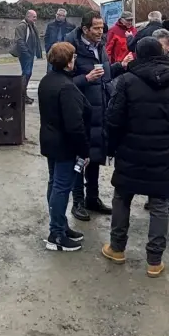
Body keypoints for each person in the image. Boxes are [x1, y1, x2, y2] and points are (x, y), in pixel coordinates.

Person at [100, 37, 169, 277]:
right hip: (163, 154)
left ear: (138, 55)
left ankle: (117, 248)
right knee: (160, 204)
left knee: (122, 197)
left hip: (129, 151)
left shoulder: (127, 81)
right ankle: (154, 260)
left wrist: (111, 148)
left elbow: (113, 119)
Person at [37, 42, 88, 252]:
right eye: (73, 57)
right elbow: (74, 124)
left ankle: (61, 226)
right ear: (68, 62)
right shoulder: (67, 87)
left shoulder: (47, 80)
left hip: (50, 141)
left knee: (54, 183)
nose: (75, 60)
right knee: (61, 187)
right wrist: (84, 151)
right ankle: (56, 233)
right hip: (65, 145)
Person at [68, 12, 112, 220]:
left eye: (102, 27)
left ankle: (92, 198)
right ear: (85, 29)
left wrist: (121, 67)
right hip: (81, 112)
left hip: (99, 111)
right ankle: (77, 202)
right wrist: (86, 78)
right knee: (79, 158)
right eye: (96, 28)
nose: (100, 31)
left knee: (95, 156)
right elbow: (63, 82)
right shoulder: (71, 48)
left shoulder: (101, 47)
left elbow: (107, 77)